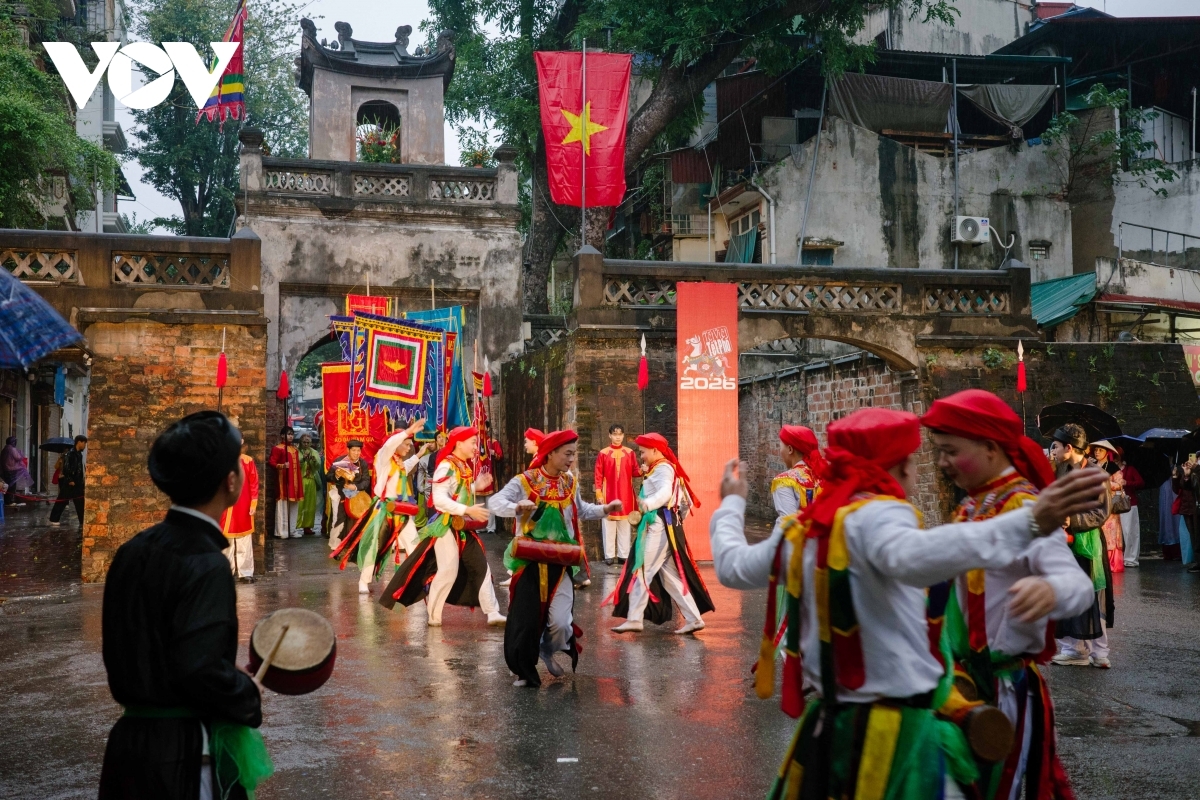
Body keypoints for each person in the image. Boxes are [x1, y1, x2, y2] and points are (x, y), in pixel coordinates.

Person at [708, 408, 1109, 800]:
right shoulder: (881, 516)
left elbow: (733, 566)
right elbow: (914, 555)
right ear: (899, 468)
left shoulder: (803, 528)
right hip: (893, 728)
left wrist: (730, 503)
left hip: (834, 724)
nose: (939, 464)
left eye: (950, 450)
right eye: (928, 456)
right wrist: (1032, 522)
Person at [921, 390, 1094, 799]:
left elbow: (1078, 585)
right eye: (939, 451)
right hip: (961, 684)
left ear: (990, 447)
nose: (942, 463)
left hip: (1004, 689)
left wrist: (1050, 588)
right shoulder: (971, 508)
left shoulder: (1023, 506)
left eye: (950, 451)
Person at [98, 411, 269, 800]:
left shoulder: (132, 550)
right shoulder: (206, 562)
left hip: (128, 746)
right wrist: (245, 693)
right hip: (182, 757)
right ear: (230, 481)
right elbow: (200, 672)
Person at [490, 429, 620, 686]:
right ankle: (524, 671)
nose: (572, 459)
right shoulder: (525, 481)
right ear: (550, 453)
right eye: (567, 453)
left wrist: (605, 509)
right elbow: (496, 501)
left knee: (562, 623)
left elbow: (581, 510)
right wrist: (516, 507)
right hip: (530, 561)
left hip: (561, 561)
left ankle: (547, 649)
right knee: (526, 621)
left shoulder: (569, 482)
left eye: (574, 454)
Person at [380, 426, 505, 627]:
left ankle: (492, 612)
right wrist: (467, 509)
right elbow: (438, 500)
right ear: (459, 443)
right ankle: (434, 615)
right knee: (448, 570)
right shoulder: (445, 466)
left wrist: (475, 487)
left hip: (462, 526)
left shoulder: (462, 465)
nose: (476, 447)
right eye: (472, 442)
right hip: (445, 525)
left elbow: (458, 491)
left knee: (481, 565)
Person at [608, 432, 714, 635]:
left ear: (655, 450)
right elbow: (681, 501)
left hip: (660, 524)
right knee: (668, 576)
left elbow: (666, 493)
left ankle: (634, 618)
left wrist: (647, 504)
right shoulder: (661, 467)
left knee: (642, 569)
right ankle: (694, 618)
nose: (641, 456)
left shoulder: (663, 468)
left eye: (643, 452)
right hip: (666, 524)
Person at [332, 418, 428, 594]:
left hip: (402, 510)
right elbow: (389, 445)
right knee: (374, 546)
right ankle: (363, 581)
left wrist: (419, 454)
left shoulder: (399, 462)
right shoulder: (383, 458)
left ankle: (415, 580)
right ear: (397, 443)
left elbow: (406, 466)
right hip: (384, 510)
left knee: (414, 544)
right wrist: (406, 432)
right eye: (406, 444)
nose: (408, 448)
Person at [1050, 424, 1114, 668]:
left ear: (1069, 447)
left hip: (1088, 543)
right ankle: (1073, 648)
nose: (1052, 450)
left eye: (1055, 446)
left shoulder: (1096, 474)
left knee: (1093, 595)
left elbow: (1102, 511)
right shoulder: (1059, 471)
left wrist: (1073, 520)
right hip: (1063, 542)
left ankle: (1099, 652)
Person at [594, 423, 642, 566]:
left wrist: (643, 470)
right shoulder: (603, 453)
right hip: (608, 493)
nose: (617, 437)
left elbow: (635, 471)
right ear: (610, 435)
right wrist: (599, 494)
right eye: (615, 434)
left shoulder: (630, 453)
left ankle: (623, 555)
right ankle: (609, 555)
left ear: (623, 436)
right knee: (608, 524)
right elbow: (598, 475)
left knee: (624, 525)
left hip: (625, 494)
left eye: (620, 434)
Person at [219, 435, 259, 583]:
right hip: (226, 505)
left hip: (243, 505)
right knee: (226, 542)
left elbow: (254, 483)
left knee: (244, 540)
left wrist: (253, 504)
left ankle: (246, 572)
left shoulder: (248, 461)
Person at [325, 439, 372, 550]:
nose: (356, 453)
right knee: (339, 517)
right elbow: (328, 477)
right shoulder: (340, 461)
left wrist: (355, 487)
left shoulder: (363, 463)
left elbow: (366, 481)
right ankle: (335, 544)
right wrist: (336, 475)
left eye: (358, 450)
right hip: (340, 492)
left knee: (357, 518)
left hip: (356, 494)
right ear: (348, 450)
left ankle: (353, 543)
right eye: (354, 450)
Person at [1090, 440, 1126, 574]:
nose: (1097, 452)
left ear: (1106, 452)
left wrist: (1105, 482)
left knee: (1110, 533)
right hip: (1095, 503)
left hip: (1109, 505)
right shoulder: (1091, 465)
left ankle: (1112, 563)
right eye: (1096, 450)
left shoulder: (1112, 467)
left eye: (1100, 450)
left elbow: (1120, 484)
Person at [267, 427, 303, 539]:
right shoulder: (278, 448)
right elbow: (271, 462)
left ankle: (292, 530)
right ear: (282, 435)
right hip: (284, 481)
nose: (291, 436)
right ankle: (282, 531)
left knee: (294, 506)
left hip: (295, 481)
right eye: (288, 434)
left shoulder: (295, 450)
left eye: (292, 434)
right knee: (282, 506)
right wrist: (282, 466)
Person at [49, 435, 87, 527]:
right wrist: (70, 479)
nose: (85, 445)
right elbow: (66, 468)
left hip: (77, 483)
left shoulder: (79, 455)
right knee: (61, 501)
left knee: (80, 502)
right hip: (69, 482)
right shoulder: (70, 454)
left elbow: (79, 469)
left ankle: (82, 521)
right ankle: (53, 518)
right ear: (79, 442)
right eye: (84, 443)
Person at [1172, 457, 1199, 570]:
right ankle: (1198, 561)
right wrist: (1178, 476)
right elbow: (1180, 488)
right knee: (1193, 536)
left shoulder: (1197, 470)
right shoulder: (1189, 469)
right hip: (1187, 507)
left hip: (1196, 506)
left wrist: (1195, 470)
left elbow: (1196, 487)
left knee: (1198, 535)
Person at [296, 434, 323, 535]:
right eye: (304, 442)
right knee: (299, 504)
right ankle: (296, 526)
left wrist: (313, 460)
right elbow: (296, 465)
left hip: (311, 479)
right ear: (300, 442)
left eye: (308, 442)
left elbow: (317, 467)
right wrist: (303, 459)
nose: (306, 444)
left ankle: (307, 527)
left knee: (310, 505)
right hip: (300, 479)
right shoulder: (297, 452)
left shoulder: (314, 452)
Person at [2, 435, 33, 506]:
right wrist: (21, 453)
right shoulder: (12, 449)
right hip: (11, 470)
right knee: (11, 487)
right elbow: (18, 457)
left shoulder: (4, 449)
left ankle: (7, 501)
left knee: (6, 486)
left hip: (5, 470)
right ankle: (9, 501)